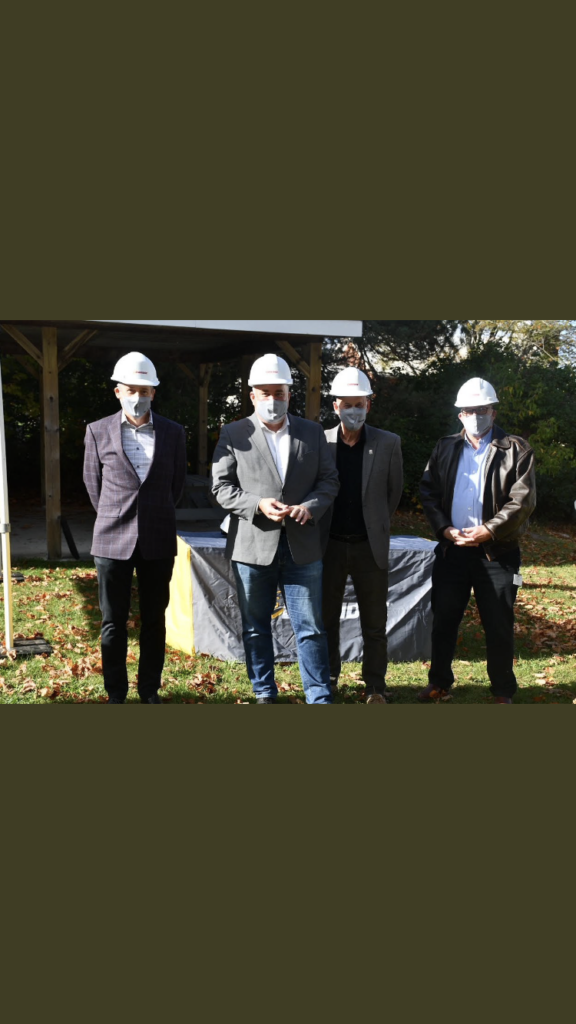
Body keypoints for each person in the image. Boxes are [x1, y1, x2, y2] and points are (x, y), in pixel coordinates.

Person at [211, 353, 339, 704]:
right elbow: (220, 487)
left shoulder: (312, 432)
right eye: (265, 393)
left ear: (289, 394)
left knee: (311, 628)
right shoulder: (234, 433)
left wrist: (310, 507)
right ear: (252, 395)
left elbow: (329, 481)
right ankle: (264, 692)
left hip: (302, 546)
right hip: (253, 546)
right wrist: (257, 505)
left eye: (279, 392)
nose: (272, 399)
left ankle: (318, 695)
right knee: (255, 627)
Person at [420, 377, 536, 705]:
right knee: (444, 620)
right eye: (469, 410)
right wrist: (444, 529)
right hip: (453, 550)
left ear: (493, 412)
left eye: (482, 409)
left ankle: (502, 690)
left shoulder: (516, 449)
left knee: (498, 623)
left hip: (497, 552)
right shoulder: (445, 446)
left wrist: (491, 530)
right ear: (460, 414)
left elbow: (523, 500)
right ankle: (439, 682)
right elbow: (428, 491)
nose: (475, 416)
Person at [83, 352, 187, 704]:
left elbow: (176, 485)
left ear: (153, 392)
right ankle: (116, 693)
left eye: (144, 391)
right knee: (112, 622)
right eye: (131, 390)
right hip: (112, 539)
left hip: (158, 537)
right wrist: (116, 515)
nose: (138, 397)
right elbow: (93, 486)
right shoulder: (97, 431)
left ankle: (149, 691)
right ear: (118, 392)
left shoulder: (173, 432)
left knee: (154, 620)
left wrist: (153, 513)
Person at [321, 367, 403, 704]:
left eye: (359, 404)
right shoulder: (320, 441)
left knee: (374, 622)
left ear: (369, 404)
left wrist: (374, 523)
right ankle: (328, 679)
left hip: (370, 546)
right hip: (329, 546)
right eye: (347, 404)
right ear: (335, 406)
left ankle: (375, 686)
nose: (353, 410)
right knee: (326, 619)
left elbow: (393, 493)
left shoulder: (388, 442)